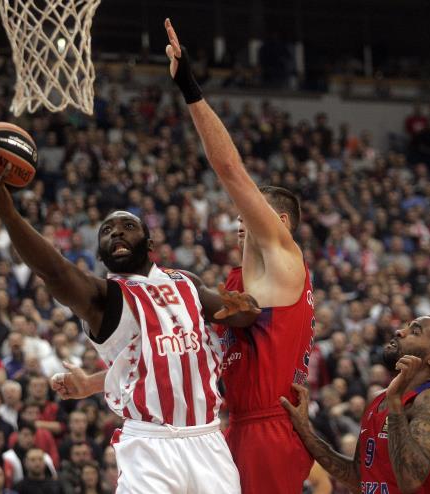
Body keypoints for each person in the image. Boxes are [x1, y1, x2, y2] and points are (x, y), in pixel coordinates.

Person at [0, 153, 260, 492]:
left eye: (128, 227)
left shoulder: (186, 282)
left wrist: (248, 310)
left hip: (207, 438)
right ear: (101, 253)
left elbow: (232, 320)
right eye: (107, 231)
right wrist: (7, 212)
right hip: (149, 447)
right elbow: (55, 271)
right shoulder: (103, 298)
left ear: (149, 243)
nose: (116, 232)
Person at [164, 18, 316, 494]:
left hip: (268, 428)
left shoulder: (285, 256)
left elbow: (229, 169)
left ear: (280, 221)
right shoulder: (240, 283)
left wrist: (189, 86)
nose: (239, 216)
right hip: (237, 425)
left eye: (251, 211)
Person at [282, 316, 430, 493]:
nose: (400, 331)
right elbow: (356, 477)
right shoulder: (377, 399)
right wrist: (305, 432)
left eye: (414, 331)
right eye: (406, 326)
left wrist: (395, 403)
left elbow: (410, 480)